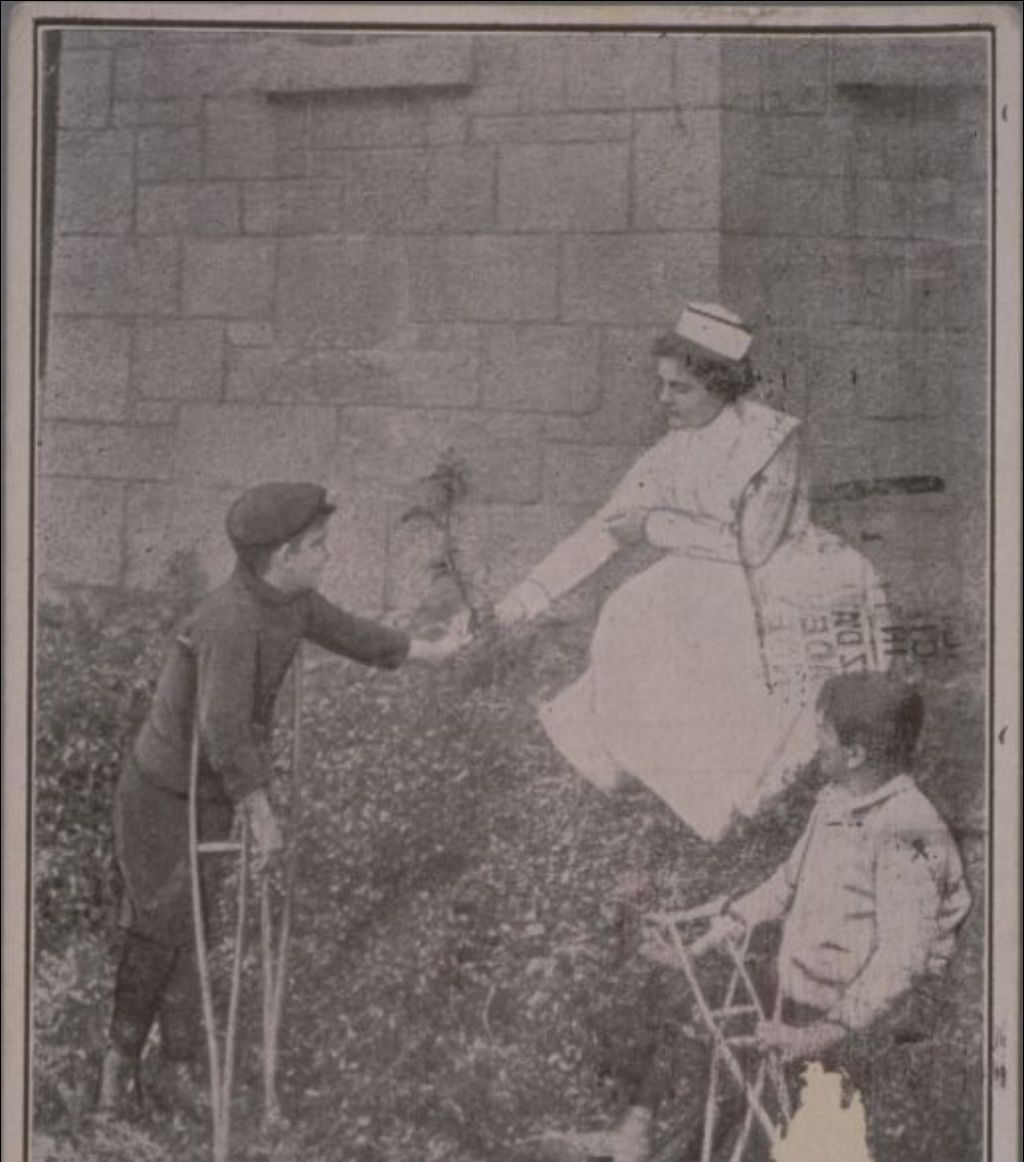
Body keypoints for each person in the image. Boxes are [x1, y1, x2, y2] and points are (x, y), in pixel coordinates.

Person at [97, 482, 467, 1119]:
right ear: (283, 556)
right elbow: (223, 730)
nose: (328, 556)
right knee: (160, 931)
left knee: (195, 929)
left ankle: (178, 1067)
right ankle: (117, 1072)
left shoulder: (291, 602)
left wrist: (435, 652)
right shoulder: (230, 619)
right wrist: (261, 814)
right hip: (162, 796)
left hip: (211, 793)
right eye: (317, 546)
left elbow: (353, 634)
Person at [582, 671, 972, 1162]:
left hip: (863, 1020)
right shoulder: (835, 801)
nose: (816, 745)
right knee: (728, 1074)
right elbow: (783, 886)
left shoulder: (910, 830)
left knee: (782, 1108)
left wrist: (818, 1034)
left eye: (823, 734)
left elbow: (902, 963)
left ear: (856, 752)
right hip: (802, 990)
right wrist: (702, 941)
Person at [495, 299, 889, 843]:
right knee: (632, 611)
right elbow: (606, 528)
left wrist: (656, 526)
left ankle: (733, 799)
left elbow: (754, 545)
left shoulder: (772, 440)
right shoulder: (672, 449)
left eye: (679, 388)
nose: (663, 399)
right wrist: (522, 599)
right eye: (661, 385)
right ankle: (667, 783)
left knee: (683, 624)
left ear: (720, 385)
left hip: (780, 571)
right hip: (706, 569)